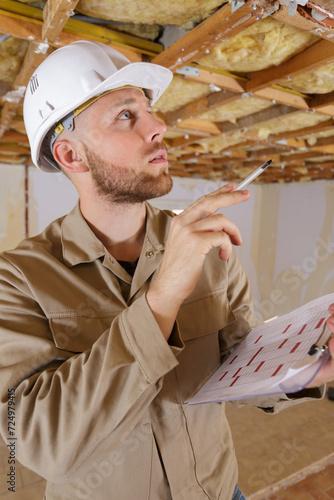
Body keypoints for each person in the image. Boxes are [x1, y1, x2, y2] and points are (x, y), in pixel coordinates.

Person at [0, 40, 333, 500]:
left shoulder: (205, 244)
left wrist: (305, 366)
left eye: (149, 110)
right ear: (71, 156)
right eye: (125, 115)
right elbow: (42, 444)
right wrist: (163, 296)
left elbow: (237, 367)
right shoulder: (18, 279)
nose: (158, 126)